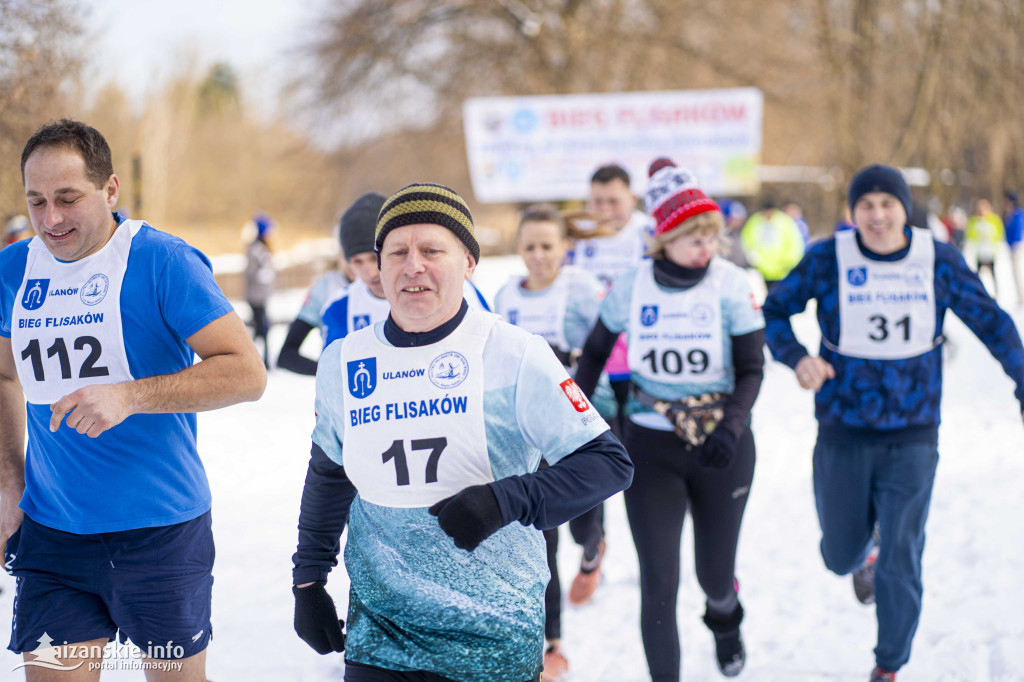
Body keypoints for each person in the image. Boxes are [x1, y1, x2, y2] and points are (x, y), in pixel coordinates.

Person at [290, 183, 632, 682]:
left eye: (432, 250)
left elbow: (608, 464)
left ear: (469, 262)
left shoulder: (515, 353)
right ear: (378, 268)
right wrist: (308, 581)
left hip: (493, 632)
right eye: (397, 253)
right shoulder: (344, 360)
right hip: (382, 633)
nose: (413, 267)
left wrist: (506, 500)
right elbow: (329, 472)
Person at [0, 119, 266, 678]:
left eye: (68, 199)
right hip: (54, 536)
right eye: (37, 201)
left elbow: (246, 372)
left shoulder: (163, 261)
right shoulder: (12, 270)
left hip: (160, 534)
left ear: (111, 190)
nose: (51, 219)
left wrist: (130, 396)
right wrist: (8, 481)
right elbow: (4, 376)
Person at [762, 164, 1024, 682]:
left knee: (904, 550)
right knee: (838, 555)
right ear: (852, 212)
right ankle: (864, 555)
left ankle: (889, 663)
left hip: (914, 430)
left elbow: (992, 322)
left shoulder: (937, 259)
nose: (877, 215)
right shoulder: (829, 258)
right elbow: (772, 311)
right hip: (843, 425)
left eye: (888, 204)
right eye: (866, 205)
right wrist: (797, 358)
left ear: (904, 208)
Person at [575, 158, 765, 680]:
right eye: (694, 237)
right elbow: (593, 354)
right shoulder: (632, 285)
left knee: (714, 575)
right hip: (651, 446)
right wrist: (577, 423)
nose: (707, 247)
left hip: (720, 446)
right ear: (664, 238)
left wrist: (730, 427)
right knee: (660, 582)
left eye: (712, 235)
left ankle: (725, 617)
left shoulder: (729, 284)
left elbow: (752, 368)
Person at [493, 204, 613, 681]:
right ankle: (552, 643)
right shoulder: (505, 297)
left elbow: (610, 347)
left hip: (581, 426)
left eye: (548, 246)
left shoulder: (581, 288)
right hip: (532, 430)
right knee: (544, 538)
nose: (539, 256)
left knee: (582, 527)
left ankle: (595, 545)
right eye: (530, 247)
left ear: (566, 247)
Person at [561, 163, 654, 605]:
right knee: (592, 465)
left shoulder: (649, 235)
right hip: (591, 370)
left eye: (613, 201)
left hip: (639, 370)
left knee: (641, 472)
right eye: (596, 201)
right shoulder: (577, 241)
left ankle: (658, 556)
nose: (603, 210)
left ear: (631, 200)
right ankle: (593, 545)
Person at [276, 193, 383, 376]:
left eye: (373, 258)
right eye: (354, 260)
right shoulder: (327, 289)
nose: (368, 270)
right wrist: (332, 373)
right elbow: (287, 354)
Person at [740, 197, 805, 292]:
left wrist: (789, 260)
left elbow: (794, 242)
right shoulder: (755, 221)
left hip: (782, 269)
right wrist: (751, 254)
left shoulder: (784, 221)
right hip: (763, 269)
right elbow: (746, 239)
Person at [245, 211, 276, 368]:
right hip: (256, 297)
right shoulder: (256, 248)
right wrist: (264, 273)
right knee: (261, 329)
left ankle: (262, 360)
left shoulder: (261, 247)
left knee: (262, 329)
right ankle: (257, 362)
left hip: (261, 296)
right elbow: (253, 272)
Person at [964, 198, 1004, 298]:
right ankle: (980, 293)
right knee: (978, 275)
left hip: (990, 252)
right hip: (979, 252)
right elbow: (969, 235)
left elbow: (999, 234)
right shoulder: (974, 221)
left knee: (993, 275)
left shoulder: (994, 220)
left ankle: (996, 294)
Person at [1003, 190, 1024, 305]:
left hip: (1017, 247)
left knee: (1019, 272)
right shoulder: (1010, 214)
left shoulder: (1017, 214)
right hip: (1013, 247)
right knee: (1016, 273)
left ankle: (1022, 297)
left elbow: (1017, 233)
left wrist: (1013, 245)